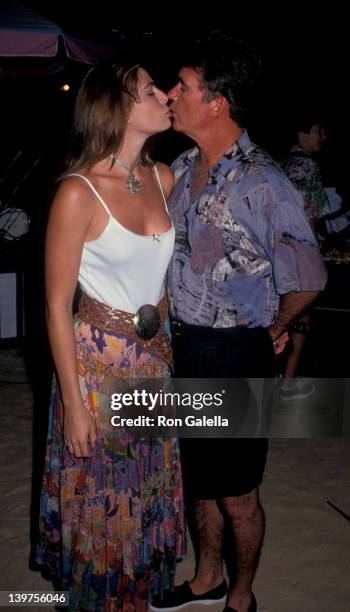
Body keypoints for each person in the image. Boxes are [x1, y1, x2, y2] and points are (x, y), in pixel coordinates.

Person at [151, 33, 327, 612]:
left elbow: (308, 276)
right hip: (185, 350)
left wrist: (274, 327)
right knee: (199, 482)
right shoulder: (181, 167)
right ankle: (207, 581)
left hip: (235, 354)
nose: (172, 94)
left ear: (217, 101)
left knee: (239, 494)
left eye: (184, 86)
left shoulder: (264, 180)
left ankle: (242, 597)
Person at [35, 62, 186, 611]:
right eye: (151, 90)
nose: (165, 94)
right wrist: (73, 405)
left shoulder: (162, 177)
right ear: (120, 107)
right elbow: (55, 306)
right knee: (104, 505)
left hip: (154, 366)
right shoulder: (77, 192)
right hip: (98, 374)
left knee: (144, 498)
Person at [279, 114, 329, 400]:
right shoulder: (307, 167)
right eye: (319, 129)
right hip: (298, 255)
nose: (323, 136)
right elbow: (308, 218)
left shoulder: (282, 163)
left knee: (281, 316)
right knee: (300, 317)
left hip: (277, 255)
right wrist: (313, 260)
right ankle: (287, 382)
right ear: (303, 132)